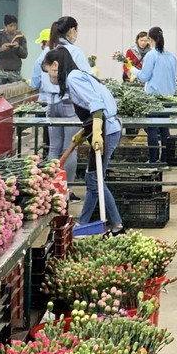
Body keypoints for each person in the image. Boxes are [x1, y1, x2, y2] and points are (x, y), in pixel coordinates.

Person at [42, 46, 123, 233]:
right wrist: (84, 132)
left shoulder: (74, 78)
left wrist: (95, 131)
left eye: (48, 72)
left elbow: (96, 106)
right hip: (104, 128)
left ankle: (117, 224)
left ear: (55, 65)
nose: (50, 77)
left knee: (95, 180)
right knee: (92, 179)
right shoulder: (75, 77)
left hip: (105, 130)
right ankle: (84, 223)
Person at [32, 18, 87, 184]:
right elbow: (87, 78)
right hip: (70, 105)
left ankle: (51, 189)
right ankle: (66, 191)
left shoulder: (46, 52)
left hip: (51, 104)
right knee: (69, 149)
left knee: (54, 148)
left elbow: (35, 81)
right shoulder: (74, 52)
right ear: (71, 30)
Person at [135, 26, 177, 164]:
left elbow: (144, 77)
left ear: (149, 39)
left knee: (152, 128)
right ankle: (165, 159)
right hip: (168, 97)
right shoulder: (171, 56)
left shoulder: (151, 55)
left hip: (153, 97)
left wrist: (133, 71)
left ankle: (152, 160)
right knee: (165, 128)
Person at [0, 14, 28, 84]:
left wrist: (18, 47)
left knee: (15, 92)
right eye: (11, 26)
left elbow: (25, 55)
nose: (13, 28)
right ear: (6, 26)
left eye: (15, 25)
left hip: (15, 71)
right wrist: (0, 49)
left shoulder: (20, 37)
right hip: (0, 71)